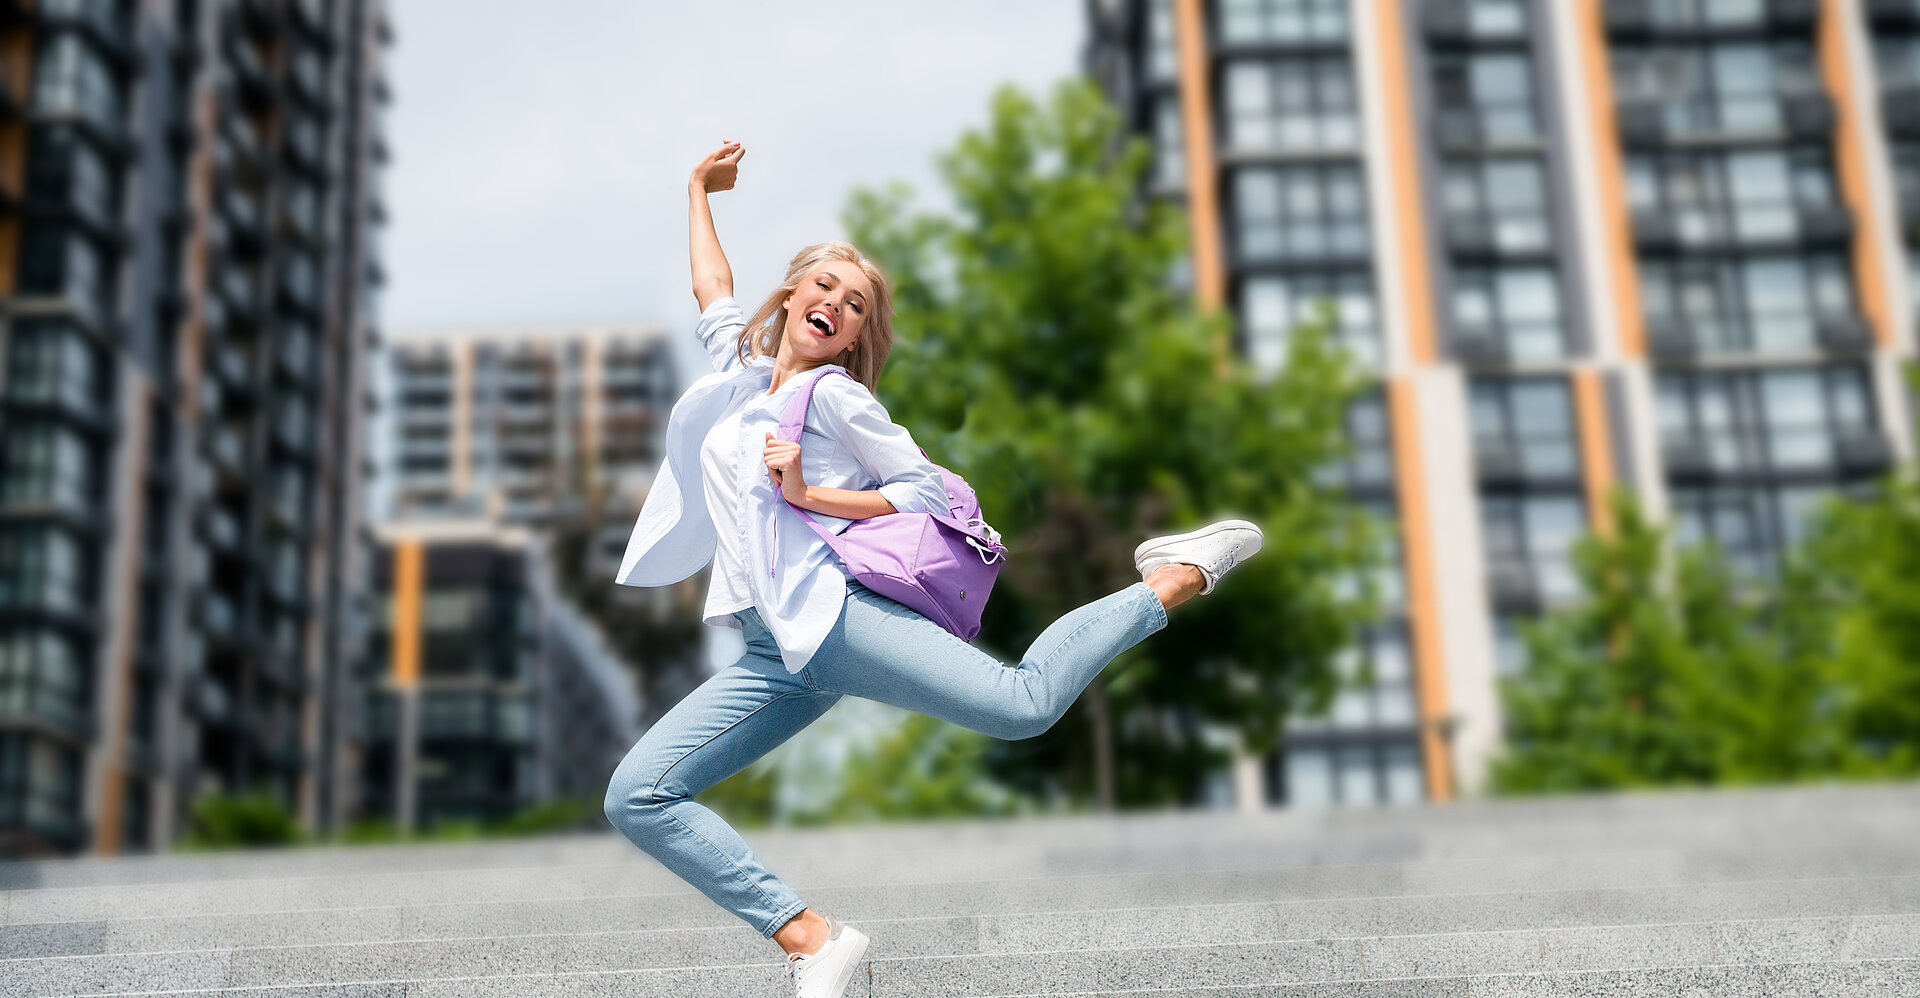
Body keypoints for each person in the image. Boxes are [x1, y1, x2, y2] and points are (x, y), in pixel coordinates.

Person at [603, 139, 1265, 998]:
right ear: (794, 294)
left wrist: (809, 492)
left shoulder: (836, 398)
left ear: (855, 335)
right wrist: (697, 188)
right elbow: (712, 289)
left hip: (833, 615)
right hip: (772, 650)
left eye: (855, 305)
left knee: (1022, 705)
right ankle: (811, 938)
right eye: (824, 287)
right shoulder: (741, 377)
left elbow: (922, 490)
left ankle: (1172, 577)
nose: (834, 305)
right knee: (639, 793)